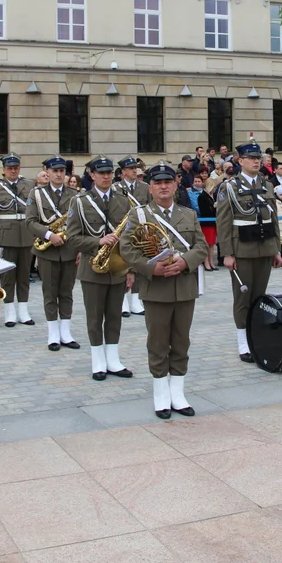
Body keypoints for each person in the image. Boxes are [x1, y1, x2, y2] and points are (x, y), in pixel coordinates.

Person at [118, 160, 208, 418]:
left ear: (176, 184)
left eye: (168, 181)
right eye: (157, 183)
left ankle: (177, 393)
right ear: (150, 188)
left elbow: (201, 247)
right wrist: (149, 268)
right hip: (156, 288)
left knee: (181, 341)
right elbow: (127, 249)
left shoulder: (188, 214)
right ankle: (160, 393)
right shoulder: (139, 215)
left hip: (184, 287)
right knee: (158, 342)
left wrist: (185, 262)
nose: (163, 187)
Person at [65, 156, 135, 380]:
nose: (106, 176)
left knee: (115, 315)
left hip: (118, 268)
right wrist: (97, 242)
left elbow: (130, 237)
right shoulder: (79, 201)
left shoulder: (123, 200)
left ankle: (113, 359)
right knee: (95, 317)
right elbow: (72, 237)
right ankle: (98, 361)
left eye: (109, 172)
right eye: (101, 172)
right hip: (92, 267)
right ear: (92, 175)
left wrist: (130, 270)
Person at [216, 139, 282, 363]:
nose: (256, 161)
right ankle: (243, 341)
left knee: (259, 297)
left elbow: (272, 218)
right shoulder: (230, 187)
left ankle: (256, 337)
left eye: (258, 158)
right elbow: (224, 222)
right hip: (242, 249)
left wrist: (276, 249)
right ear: (240, 160)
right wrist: (227, 253)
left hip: (265, 248)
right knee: (243, 297)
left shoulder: (267, 185)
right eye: (251, 158)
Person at [26, 156, 80, 350]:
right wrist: (49, 235)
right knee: (49, 292)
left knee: (66, 292)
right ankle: (53, 334)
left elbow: (80, 223)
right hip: (47, 250)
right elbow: (30, 221)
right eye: (54, 171)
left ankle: (66, 332)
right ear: (47, 172)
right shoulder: (36, 194)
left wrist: (80, 248)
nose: (58, 174)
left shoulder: (75, 194)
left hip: (69, 249)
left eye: (62, 171)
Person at [0, 153, 37, 327]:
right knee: (7, 276)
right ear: (4, 170)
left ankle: (23, 310)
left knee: (24, 274)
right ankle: (9, 311)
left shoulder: (29, 185)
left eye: (15, 168)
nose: (13, 171)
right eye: (9, 168)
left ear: (19, 168)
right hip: (6, 236)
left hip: (26, 235)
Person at [115, 156, 151, 316]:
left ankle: (136, 299)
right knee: (122, 264)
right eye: (130, 169)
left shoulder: (144, 187)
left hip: (140, 232)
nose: (134, 171)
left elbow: (150, 208)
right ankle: (122, 299)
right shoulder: (115, 188)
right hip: (121, 231)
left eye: (135, 168)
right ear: (123, 172)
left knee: (139, 264)